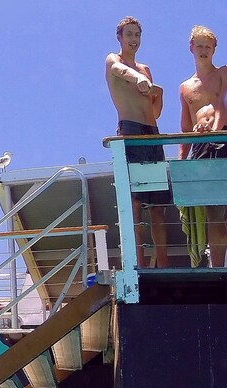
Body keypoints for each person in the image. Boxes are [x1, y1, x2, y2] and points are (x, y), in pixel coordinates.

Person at [106, 16, 169, 268]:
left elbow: (156, 113)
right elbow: (119, 71)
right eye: (129, 34)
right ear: (120, 37)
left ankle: (163, 267)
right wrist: (137, 79)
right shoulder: (114, 59)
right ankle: (139, 266)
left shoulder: (146, 69)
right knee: (135, 204)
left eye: (137, 35)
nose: (134, 39)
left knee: (157, 207)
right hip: (130, 130)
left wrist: (159, 94)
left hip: (152, 132)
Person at [179, 25, 227, 267]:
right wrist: (179, 162)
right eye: (199, 45)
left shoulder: (224, 73)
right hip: (200, 150)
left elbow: (223, 105)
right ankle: (218, 270)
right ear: (191, 48)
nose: (204, 50)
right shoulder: (185, 87)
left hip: (224, 141)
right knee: (214, 214)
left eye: (208, 46)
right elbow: (186, 128)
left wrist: (216, 130)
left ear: (214, 49)